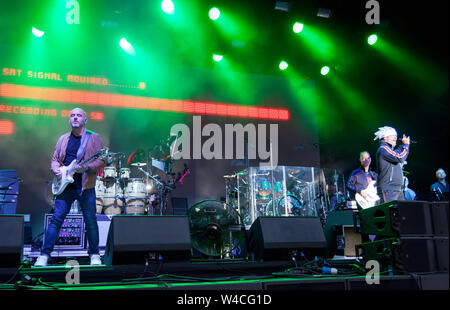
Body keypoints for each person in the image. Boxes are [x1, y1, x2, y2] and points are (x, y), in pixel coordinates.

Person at [34, 108, 106, 267]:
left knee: (91, 221)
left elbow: (102, 160)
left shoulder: (93, 138)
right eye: (72, 115)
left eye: (79, 115)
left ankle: (94, 255)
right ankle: (44, 256)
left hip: (85, 186)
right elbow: (55, 159)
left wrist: (86, 168)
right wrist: (57, 170)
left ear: (85, 120)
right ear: (69, 120)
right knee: (56, 220)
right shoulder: (63, 139)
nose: (75, 117)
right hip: (65, 186)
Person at [374, 126, 410, 203]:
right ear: (385, 138)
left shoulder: (388, 150)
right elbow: (400, 157)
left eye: (396, 136)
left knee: (402, 213)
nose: (396, 138)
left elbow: (396, 153)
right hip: (389, 189)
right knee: (391, 213)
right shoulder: (383, 149)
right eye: (393, 135)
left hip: (396, 189)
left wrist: (403, 146)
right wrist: (406, 146)